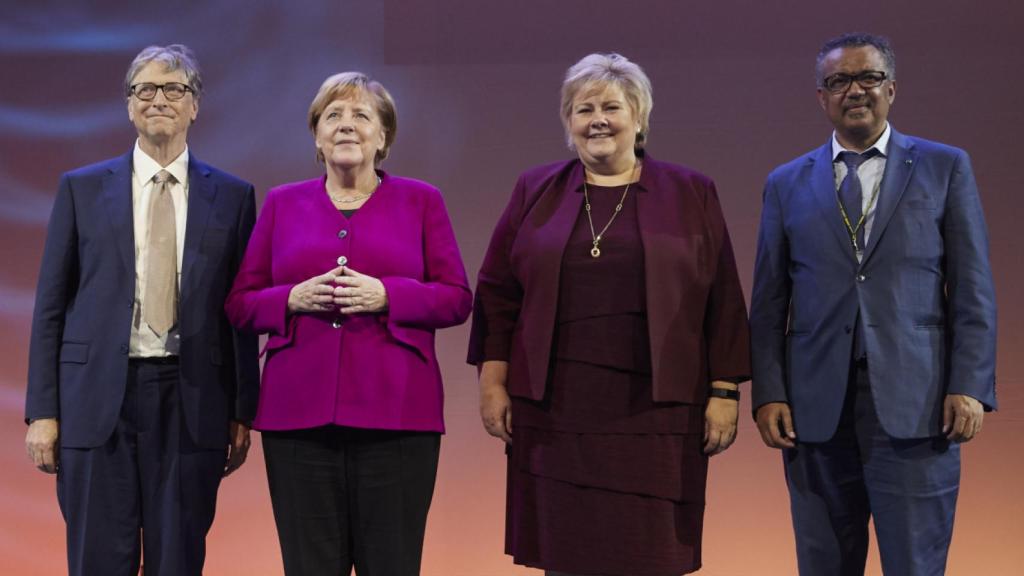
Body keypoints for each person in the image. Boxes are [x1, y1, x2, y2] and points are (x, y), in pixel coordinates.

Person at [468, 53, 750, 576]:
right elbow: (497, 293)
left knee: (650, 554)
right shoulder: (535, 190)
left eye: (612, 107)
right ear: (568, 123)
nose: (597, 118)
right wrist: (493, 382)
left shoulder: (691, 191)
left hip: (657, 411)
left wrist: (725, 390)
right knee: (566, 554)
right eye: (583, 108)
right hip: (555, 409)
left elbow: (723, 297)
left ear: (639, 117)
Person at [750, 33, 997, 575]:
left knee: (915, 564)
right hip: (816, 409)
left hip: (919, 404)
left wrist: (969, 385)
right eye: (838, 81)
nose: (854, 90)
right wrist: (769, 392)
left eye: (867, 78)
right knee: (824, 564)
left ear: (891, 88)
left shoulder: (943, 167)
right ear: (822, 96)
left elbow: (973, 287)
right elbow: (769, 300)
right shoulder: (786, 183)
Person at [23, 44, 259, 575]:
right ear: (129, 105)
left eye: (174, 89)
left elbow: (239, 310)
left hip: (191, 399)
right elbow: (51, 306)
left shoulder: (233, 196)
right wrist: (43, 412)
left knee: (178, 561)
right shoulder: (81, 189)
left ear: (195, 105)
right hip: (96, 401)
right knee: (99, 560)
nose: (159, 100)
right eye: (145, 90)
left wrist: (244, 408)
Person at [225, 71, 471, 576]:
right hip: (299, 420)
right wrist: (289, 298)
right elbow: (240, 304)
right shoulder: (282, 203)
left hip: (398, 418)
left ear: (384, 136)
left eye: (362, 115)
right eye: (332, 116)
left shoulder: (422, 200)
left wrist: (389, 295)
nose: (346, 126)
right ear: (316, 135)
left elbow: (456, 299)